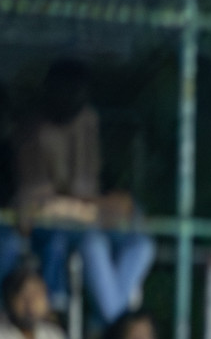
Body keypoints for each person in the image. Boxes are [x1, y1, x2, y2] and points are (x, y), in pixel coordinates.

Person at [13, 59, 154, 322]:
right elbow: (39, 204)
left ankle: (108, 326)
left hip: (88, 217)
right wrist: (90, 207)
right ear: (51, 91)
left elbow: (87, 188)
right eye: (67, 91)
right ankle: (116, 328)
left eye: (79, 92)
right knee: (93, 244)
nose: (74, 99)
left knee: (141, 244)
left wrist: (101, 206)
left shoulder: (88, 119)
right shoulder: (32, 130)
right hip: (51, 224)